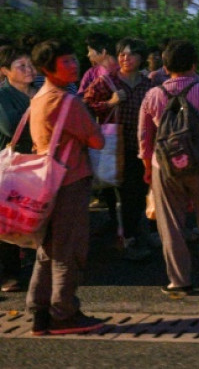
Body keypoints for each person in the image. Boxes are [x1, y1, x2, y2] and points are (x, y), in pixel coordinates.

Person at [28, 39, 106, 335]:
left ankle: (39, 312)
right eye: (66, 62)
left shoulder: (38, 97)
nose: (74, 65)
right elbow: (96, 139)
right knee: (68, 250)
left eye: (74, 59)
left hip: (44, 182)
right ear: (48, 69)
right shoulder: (67, 101)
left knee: (47, 249)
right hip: (70, 181)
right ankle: (63, 313)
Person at [138, 39, 199, 296]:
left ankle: (179, 280)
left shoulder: (152, 96)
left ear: (165, 66)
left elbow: (144, 138)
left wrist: (147, 166)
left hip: (163, 166)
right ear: (195, 64)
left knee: (171, 225)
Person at [84, 37, 154, 261]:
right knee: (117, 194)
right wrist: (110, 103)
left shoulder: (148, 85)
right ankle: (125, 237)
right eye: (122, 54)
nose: (125, 58)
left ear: (141, 58)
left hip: (139, 148)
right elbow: (84, 104)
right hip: (113, 149)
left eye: (131, 54)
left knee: (136, 193)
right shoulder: (108, 82)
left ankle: (129, 233)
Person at [0, 46, 38, 292]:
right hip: (11, 165)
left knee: (36, 214)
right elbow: (10, 128)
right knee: (9, 219)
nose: (29, 70)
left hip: (38, 164)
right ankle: (8, 273)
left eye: (30, 65)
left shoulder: (41, 91)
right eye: (21, 66)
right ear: (5, 71)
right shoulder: (2, 96)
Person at [78, 33, 118, 97]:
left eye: (89, 51)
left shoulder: (124, 70)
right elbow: (80, 99)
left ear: (103, 52)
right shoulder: (90, 73)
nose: (88, 55)